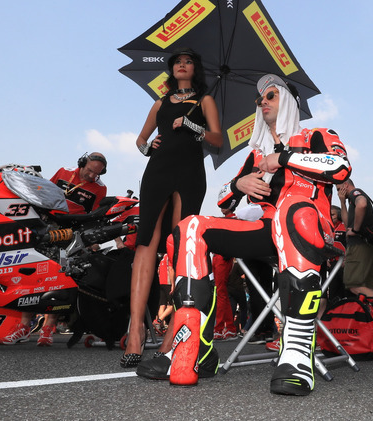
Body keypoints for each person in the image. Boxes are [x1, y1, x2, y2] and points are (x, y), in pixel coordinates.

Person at [136, 73, 351, 396]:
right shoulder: (256, 153)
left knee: (294, 209)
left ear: (290, 102)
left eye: (270, 97)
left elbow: (340, 167)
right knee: (190, 226)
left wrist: (284, 158)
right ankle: (195, 347)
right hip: (266, 230)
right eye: (259, 100)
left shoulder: (318, 134)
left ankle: (295, 352)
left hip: (311, 228)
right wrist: (239, 184)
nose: (262, 103)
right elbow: (224, 199)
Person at [122, 48, 223, 367]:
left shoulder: (205, 101)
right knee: (146, 244)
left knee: (182, 248)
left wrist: (191, 126)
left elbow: (217, 140)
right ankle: (135, 330)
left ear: (195, 69)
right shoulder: (159, 103)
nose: (182, 64)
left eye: (188, 61)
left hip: (190, 172)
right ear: (172, 70)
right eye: (177, 61)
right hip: (158, 171)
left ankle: (175, 331)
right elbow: (140, 139)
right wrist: (146, 147)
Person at [0, 153, 109, 346]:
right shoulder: (63, 172)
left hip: (69, 233)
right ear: (82, 164)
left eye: (96, 174)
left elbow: (93, 216)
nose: (91, 176)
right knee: (32, 274)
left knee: (59, 279)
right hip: (44, 226)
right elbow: (43, 193)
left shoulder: (100, 188)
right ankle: (24, 327)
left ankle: (48, 329)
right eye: (89, 171)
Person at [337, 179, 373, 299]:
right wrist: (342, 203)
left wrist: (355, 230)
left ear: (346, 185)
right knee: (367, 286)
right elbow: (346, 225)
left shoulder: (355, 193)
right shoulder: (350, 201)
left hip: (358, 245)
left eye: (339, 189)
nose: (338, 193)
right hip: (364, 245)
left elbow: (362, 204)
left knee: (353, 284)